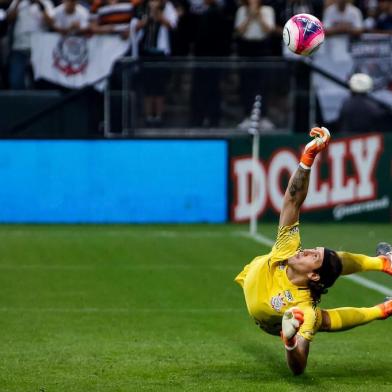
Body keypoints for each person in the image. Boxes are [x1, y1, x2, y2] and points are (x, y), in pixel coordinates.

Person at [235, 127, 392, 375]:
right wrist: (308, 158)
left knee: (321, 320)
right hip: (256, 283)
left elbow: (299, 366)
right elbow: (292, 198)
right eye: (311, 251)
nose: (306, 250)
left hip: (274, 322)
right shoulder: (288, 250)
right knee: (332, 263)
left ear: (313, 277)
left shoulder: (303, 310)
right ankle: (383, 265)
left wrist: (289, 341)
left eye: (312, 256)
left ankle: (382, 308)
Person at [6, 0, 54, 89]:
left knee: (41, 82)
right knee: (15, 80)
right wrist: (17, 4)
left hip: (39, 48)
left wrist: (41, 6)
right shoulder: (17, 2)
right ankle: (18, 102)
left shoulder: (46, 2)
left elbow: (51, 23)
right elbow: (9, 20)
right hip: (19, 46)